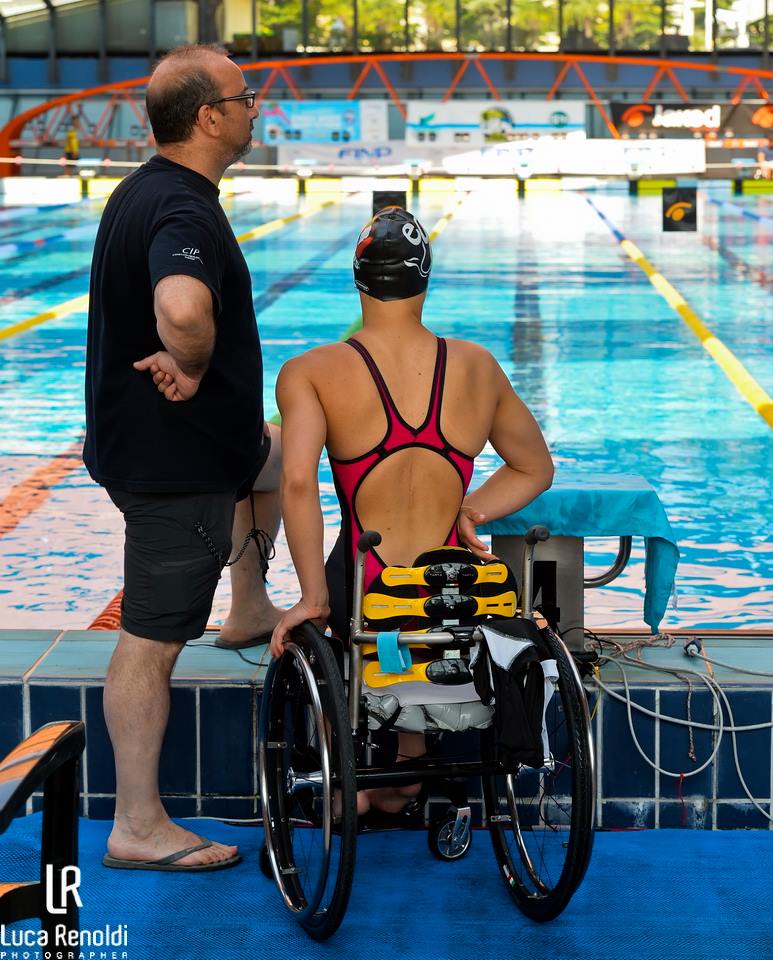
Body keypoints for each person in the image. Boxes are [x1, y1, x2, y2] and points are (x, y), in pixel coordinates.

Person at [270, 205, 554, 814]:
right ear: (426, 279)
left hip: (366, 586)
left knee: (337, 634)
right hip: (453, 589)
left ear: (357, 279)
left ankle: (345, 783)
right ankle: (406, 773)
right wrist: (470, 511)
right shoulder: (477, 367)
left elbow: (296, 483)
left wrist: (312, 599)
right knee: (426, 609)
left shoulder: (310, 371)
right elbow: (535, 467)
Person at [83, 44, 281, 872]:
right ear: (208, 118)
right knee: (151, 640)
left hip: (171, 451)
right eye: (244, 98)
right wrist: (191, 363)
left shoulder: (146, 188)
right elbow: (184, 306)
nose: (253, 110)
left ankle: (250, 605)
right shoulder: (184, 211)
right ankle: (137, 824)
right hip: (175, 469)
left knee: (271, 455)